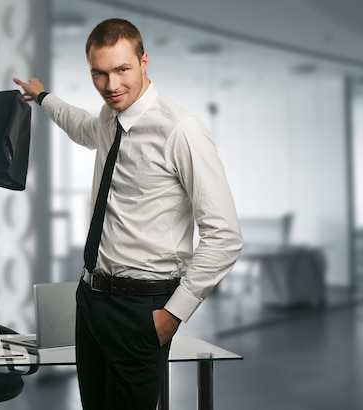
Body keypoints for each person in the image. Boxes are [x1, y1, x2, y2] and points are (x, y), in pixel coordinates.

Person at [14, 18, 243, 410]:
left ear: (144, 61)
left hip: (142, 309)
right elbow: (81, 126)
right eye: (99, 74)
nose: (111, 85)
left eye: (122, 69)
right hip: (90, 298)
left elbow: (224, 236)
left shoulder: (181, 131)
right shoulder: (109, 118)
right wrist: (43, 97)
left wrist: (172, 315)